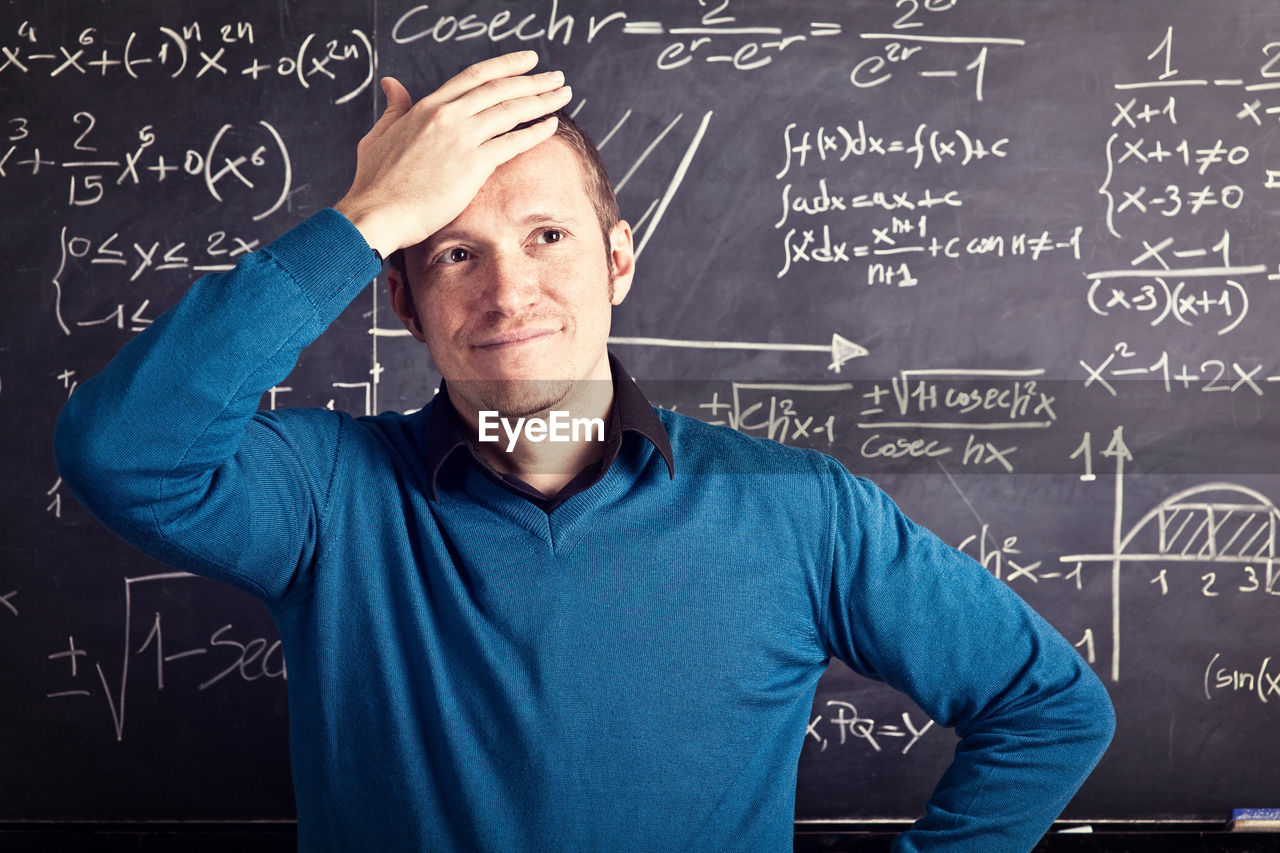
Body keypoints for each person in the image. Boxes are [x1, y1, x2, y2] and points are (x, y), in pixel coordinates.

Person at [54, 50, 1114, 851]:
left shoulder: (794, 505)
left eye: (546, 237)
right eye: (453, 252)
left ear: (616, 260)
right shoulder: (330, 495)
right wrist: (366, 216)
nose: (507, 291)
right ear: (403, 303)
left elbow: (1046, 708)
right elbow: (122, 453)